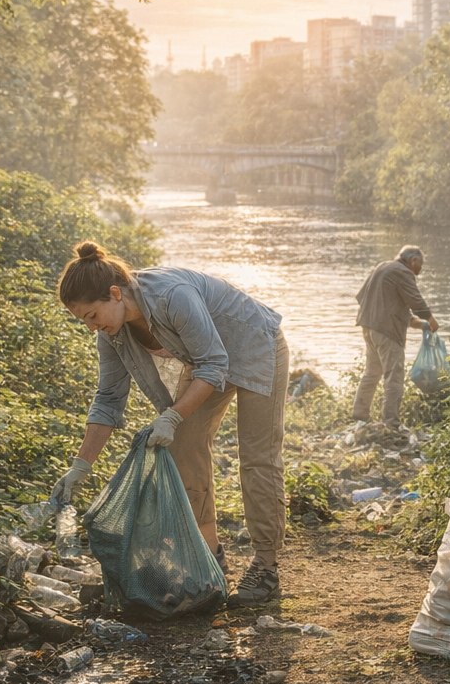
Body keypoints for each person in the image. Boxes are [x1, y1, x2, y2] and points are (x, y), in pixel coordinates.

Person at [51, 242, 288, 607]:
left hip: (255, 345)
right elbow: (109, 399)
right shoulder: (111, 334)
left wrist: (173, 415)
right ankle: (208, 559)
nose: (90, 326)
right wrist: (80, 467)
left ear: (115, 294)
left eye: (91, 315)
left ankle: (266, 568)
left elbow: (213, 364)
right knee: (181, 448)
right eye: (83, 320)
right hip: (208, 360)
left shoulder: (171, 296)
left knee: (257, 457)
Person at [352, 245, 438, 425]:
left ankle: (360, 414)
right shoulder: (403, 272)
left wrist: (419, 324)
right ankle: (391, 422)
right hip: (387, 332)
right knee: (394, 376)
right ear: (413, 261)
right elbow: (415, 300)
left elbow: (366, 298)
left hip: (369, 327)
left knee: (372, 372)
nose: (420, 271)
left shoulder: (383, 267)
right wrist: (430, 319)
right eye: (420, 265)